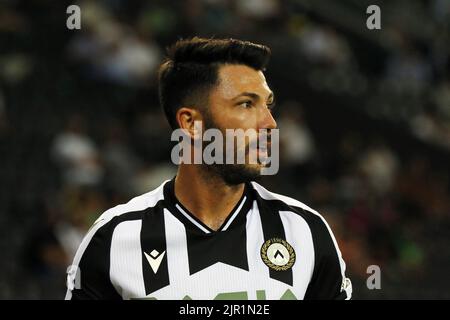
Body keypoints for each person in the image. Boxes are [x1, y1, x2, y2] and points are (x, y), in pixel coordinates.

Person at [65, 37, 352, 300]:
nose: (270, 124)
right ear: (191, 123)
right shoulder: (116, 237)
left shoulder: (304, 231)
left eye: (268, 105)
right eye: (246, 104)